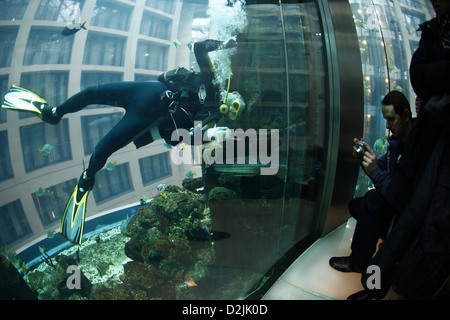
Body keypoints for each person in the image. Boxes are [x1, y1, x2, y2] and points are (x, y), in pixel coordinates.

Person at [2, 38, 245, 244]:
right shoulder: (212, 79)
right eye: (235, 104)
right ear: (232, 92)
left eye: (235, 112)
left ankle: (86, 179)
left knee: (103, 148)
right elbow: (199, 47)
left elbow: (182, 137)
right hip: (147, 89)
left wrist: (209, 136)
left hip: (147, 113)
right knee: (91, 92)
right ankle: (54, 113)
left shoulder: (209, 119)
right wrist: (225, 43)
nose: (231, 107)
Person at [329, 91, 413, 274]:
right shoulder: (397, 143)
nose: (388, 126)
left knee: (372, 200)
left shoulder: (416, 148)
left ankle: (358, 260)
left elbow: (401, 194)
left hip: (408, 213)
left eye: (391, 119)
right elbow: (381, 166)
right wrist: (365, 159)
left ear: (406, 115)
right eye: (386, 120)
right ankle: (382, 241)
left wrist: (374, 170)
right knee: (356, 206)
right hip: (397, 207)